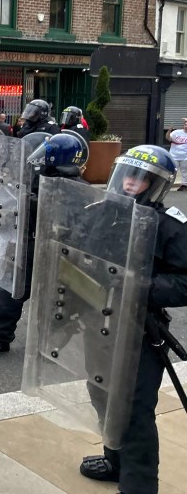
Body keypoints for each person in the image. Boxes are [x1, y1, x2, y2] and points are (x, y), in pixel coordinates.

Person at [76, 144, 187, 494]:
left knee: (136, 413)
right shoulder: (98, 212)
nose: (131, 183)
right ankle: (115, 461)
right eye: (128, 174)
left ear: (156, 185)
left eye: (142, 178)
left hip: (141, 329)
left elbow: (185, 282)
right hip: (98, 323)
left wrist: (140, 285)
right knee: (102, 396)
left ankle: (138, 487)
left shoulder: (170, 227)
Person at [0, 133, 87, 355]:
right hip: (28, 246)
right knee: (9, 290)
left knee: (55, 298)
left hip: (60, 253)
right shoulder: (39, 179)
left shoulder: (78, 190)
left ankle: (50, 341)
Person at [164, 117, 187, 191]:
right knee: (172, 171)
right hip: (174, 155)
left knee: (185, 171)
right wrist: (169, 131)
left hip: (185, 156)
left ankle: (184, 185)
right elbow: (168, 138)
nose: (186, 126)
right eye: (185, 124)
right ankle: (168, 185)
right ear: (183, 125)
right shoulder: (177, 132)